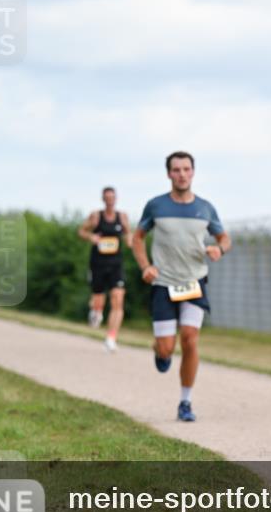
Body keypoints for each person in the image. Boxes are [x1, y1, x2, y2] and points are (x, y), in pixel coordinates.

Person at [132, 151, 230, 422]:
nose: (182, 174)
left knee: (189, 338)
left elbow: (225, 238)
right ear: (168, 174)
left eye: (186, 169)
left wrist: (218, 249)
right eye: (176, 170)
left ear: (193, 172)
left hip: (193, 282)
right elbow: (137, 238)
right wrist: (145, 267)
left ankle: (185, 402)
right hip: (163, 283)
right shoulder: (155, 206)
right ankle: (159, 351)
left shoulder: (205, 208)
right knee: (166, 348)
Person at [78, 187, 132, 352]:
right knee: (99, 299)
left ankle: (111, 337)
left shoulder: (122, 217)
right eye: (107, 197)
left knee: (117, 299)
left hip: (116, 264)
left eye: (112, 197)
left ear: (116, 199)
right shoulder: (95, 216)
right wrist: (91, 237)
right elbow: (81, 231)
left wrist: (131, 241)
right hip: (98, 264)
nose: (110, 200)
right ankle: (96, 311)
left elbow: (128, 234)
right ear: (103, 199)